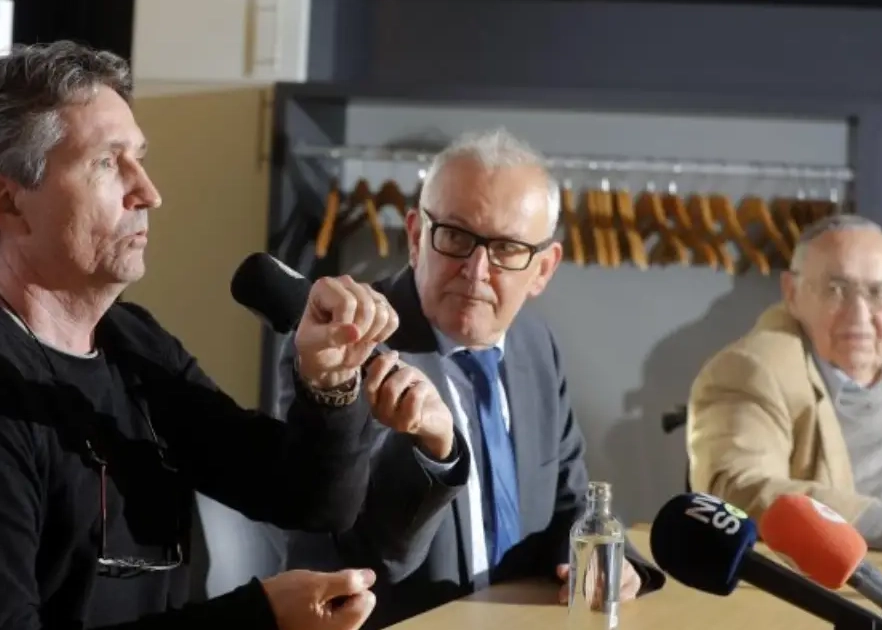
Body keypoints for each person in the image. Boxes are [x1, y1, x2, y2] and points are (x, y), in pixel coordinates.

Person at [0, 40, 462, 630]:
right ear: (7, 204)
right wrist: (259, 619)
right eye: (106, 163)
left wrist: (328, 383)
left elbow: (308, 499)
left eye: (139, 159)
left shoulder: (130, 341)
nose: (148, 192)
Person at [278, 128, 666, 627]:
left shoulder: (535, 346)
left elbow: (567, 501)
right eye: (456, 237)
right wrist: (432, 454)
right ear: (416, 237)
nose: (476, 270)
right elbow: (361, 559)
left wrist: (615, 561)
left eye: (506, 248)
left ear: (543, 269)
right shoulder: (343, 347)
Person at [689, 214, 882, 551]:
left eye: (879, 292)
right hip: (837, 573)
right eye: (837, 290)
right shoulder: (751, 370)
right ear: (791, 292)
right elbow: (738, 489)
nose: (859, 316)